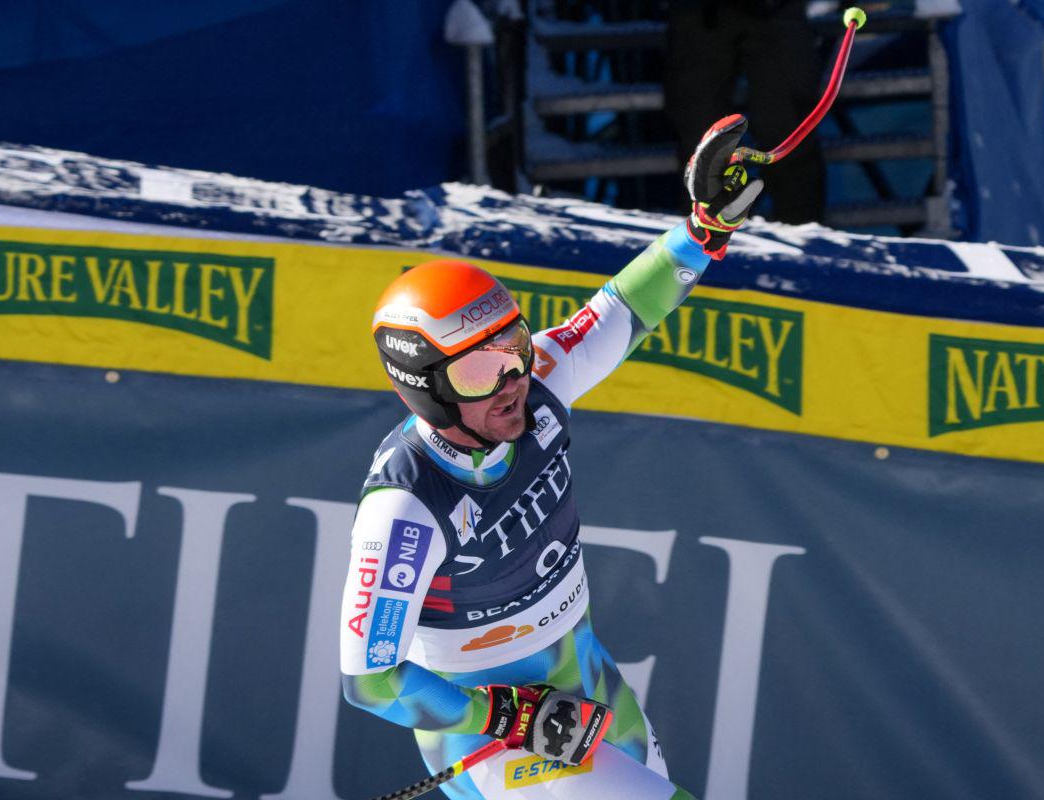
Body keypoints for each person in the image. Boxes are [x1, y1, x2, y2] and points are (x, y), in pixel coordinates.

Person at [338, 114, 764, 799]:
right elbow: (370, 680)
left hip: (583, 676)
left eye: (514, 347)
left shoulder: (534, 385)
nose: (512, 381)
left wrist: (705, 229)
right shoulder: (405, 506)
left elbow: (624, 310)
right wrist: (504, 718)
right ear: (428, 390)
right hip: (495, 735)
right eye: (480, 372)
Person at [665, 0, 825, 225]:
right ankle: (701, 233)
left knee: (789, 131)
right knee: (700, 136)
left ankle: (803, 232)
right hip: (701, 14)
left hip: (775, 11)